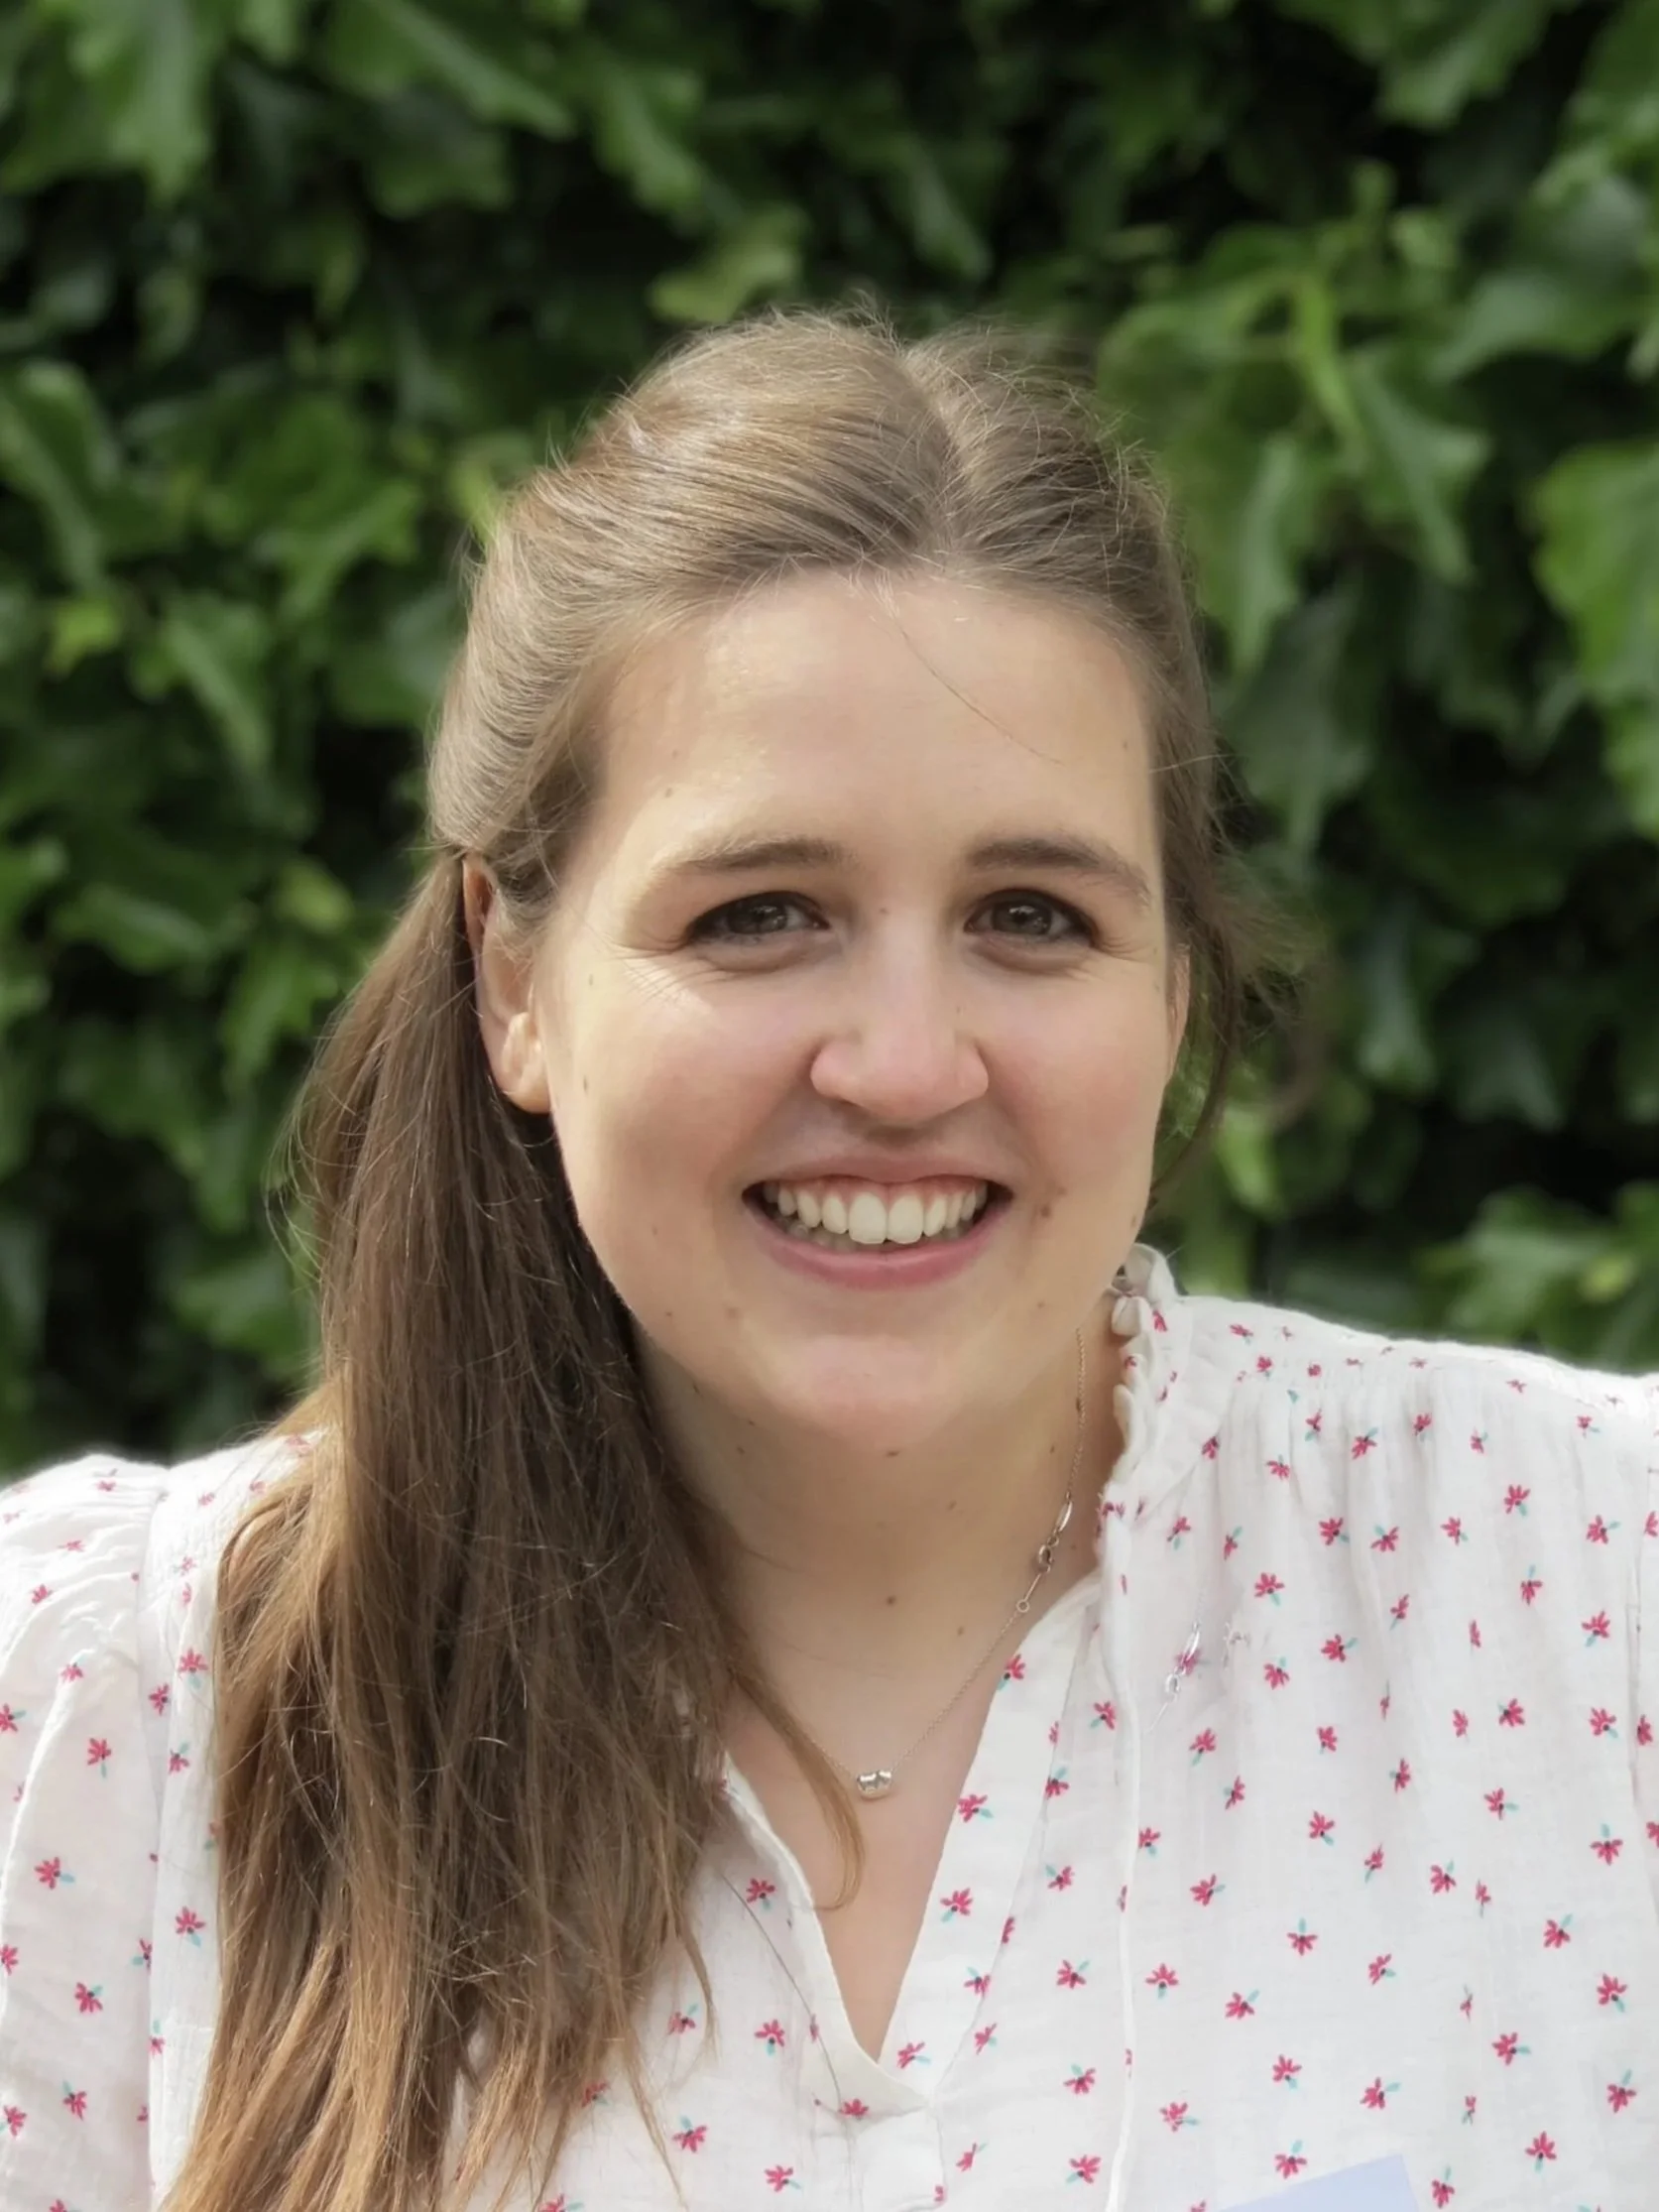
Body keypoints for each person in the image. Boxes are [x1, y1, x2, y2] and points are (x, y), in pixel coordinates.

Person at [1, 307, 1654, 2212]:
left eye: (1030, 915)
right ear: (515, 977)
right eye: (761, 914)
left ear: (1175, 991)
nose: (899, 1063)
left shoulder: (1592, 1604)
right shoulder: (121, 1720)